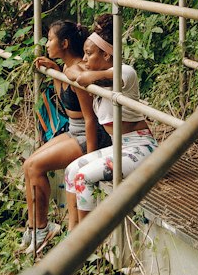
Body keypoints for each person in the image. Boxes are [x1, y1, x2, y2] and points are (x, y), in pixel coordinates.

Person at [64, 14, 158, 220]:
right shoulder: (98, 78)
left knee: (83, 177)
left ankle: (86, 243)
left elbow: (107, 75)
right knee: (71, 170)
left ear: (107, 56)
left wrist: (87, 75)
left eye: (89, 54)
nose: (85, 59)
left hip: (142, 148)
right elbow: (73, 72)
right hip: (120, 146)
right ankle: (73, 234)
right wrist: (85, 74)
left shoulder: (125, 73)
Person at [19, 19, 100, 255]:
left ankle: (42, 230)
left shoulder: (79, 74)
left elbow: (90, 119)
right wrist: (55, 71)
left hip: (86, 136)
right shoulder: (67, 69)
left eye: (50, 39)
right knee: (29, 165)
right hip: (73, 130)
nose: (46, 44)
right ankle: (34, 227)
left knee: (35, 166)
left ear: (64, 43)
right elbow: (65, 103)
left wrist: (92, 157)